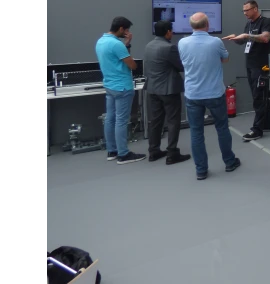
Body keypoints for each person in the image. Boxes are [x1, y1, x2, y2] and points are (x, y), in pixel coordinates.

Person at [178, 12, 241, 180]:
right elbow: (225, 59)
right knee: (222, 128)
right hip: (214, 93)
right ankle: (229, 162)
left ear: (191, 26)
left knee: (196, 132)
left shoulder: (182, 42)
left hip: (193, 94)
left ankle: (201, 170)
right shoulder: (216, 42)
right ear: (207, 25)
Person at [95, 16, 146, 164]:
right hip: (122, 87)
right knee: (121, 121)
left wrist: (127, 43)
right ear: (121, 29)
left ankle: (112, 151)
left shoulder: (101, 41)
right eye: (127, 30)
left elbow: (116, 59)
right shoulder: (116, 45)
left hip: (110, 86)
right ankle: (123, 154)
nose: (128, 33)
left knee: (110, 118)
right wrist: (126, 46)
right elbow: (132, 65)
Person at [223, 0, 270, 142]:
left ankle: (257, 130)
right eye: (243, 11)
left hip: (261, 65)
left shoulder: (265, 22)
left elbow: (265, 38)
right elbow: (244, 41)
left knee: (259, 96)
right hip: (250, 64)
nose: (245, 13)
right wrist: (236, 38)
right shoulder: (249, 24)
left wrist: (247, 36)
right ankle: (267, 123)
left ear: (255, 9)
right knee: (260, 95)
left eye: (247, 10)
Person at [143, 20, 191, 165]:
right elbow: (181, 66)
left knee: (155, 121)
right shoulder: (169, 48)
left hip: (152, 89)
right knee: (173, 121)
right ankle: (172, 153)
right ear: (168, 32)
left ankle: (153, 151)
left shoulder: (148, 46)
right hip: (169, 90)